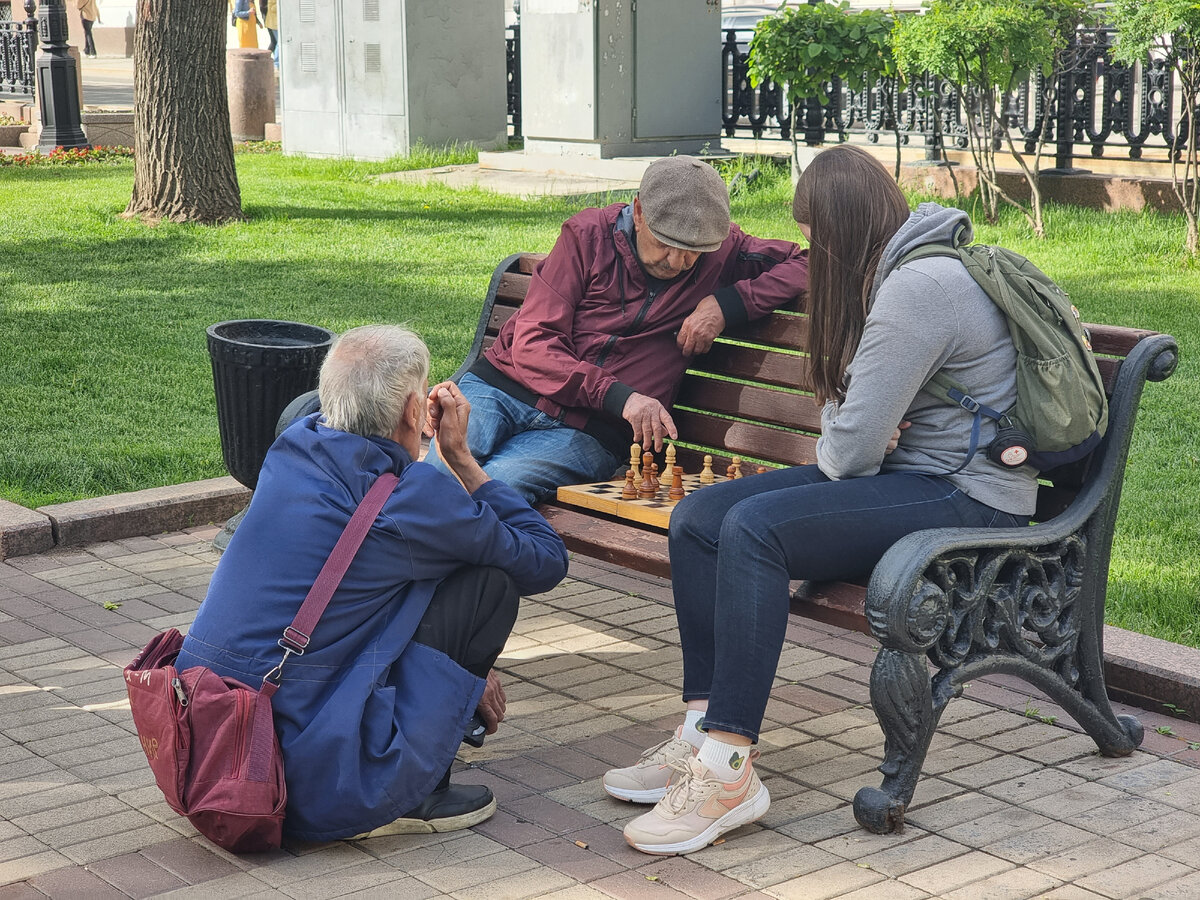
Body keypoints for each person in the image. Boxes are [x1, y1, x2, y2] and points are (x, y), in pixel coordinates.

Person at [605, 145, 1037, 856]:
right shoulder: (901, 270)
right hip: (911, 477)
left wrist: (861, 428)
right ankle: (699, 730)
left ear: (839, 232)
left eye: (813, 236)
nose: (809, 250)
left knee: (754, 531)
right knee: (698, 520)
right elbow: (857, 432)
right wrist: (861, 425)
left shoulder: (918, 289)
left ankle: (729, 768)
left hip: (967, 496)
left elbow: (847, 452)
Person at [175, 325, 569, 842]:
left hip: (207, 736)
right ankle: (412, 792)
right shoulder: (416, 499)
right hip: (294, 772)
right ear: (414, 412)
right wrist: (463, 460)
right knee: (488, 582)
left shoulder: (295, 446)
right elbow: (544, 559)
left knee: (428, 572)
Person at [423, 154, 809, 505]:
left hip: (595, 431)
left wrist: (728, 305)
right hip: (505, 387)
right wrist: (621, 397)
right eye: (666, 243)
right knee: (437, 477)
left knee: (498, 487)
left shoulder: (725, 253)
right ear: (638, 211)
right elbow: (533, 344)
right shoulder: (586, 236)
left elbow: (813, 261)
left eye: (695, 249)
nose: (678, 261)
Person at [259, 0, 279, 66]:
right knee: (279, 43)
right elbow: (271, 7)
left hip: (274, 23)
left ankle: (265, 58)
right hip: (273, 23)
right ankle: (276, 63)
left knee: (274, 42)